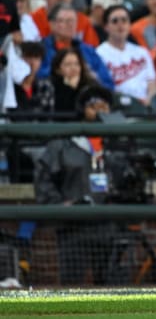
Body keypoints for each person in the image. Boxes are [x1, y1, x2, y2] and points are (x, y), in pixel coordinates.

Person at [33, 84, 128, 285]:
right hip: (74, 225)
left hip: (110, 224)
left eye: (104, 105)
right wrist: (60, 205)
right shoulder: (66, 142)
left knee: (112, 288)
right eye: (93, 105)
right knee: (72, 286)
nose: (100, 110)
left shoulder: (119, 142)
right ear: (83, 109)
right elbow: (44, 177)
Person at [96, 5, 156, 106]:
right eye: (115, 21)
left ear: (130, 25)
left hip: (145, 109)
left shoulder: (142, 52)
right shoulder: (99, 54)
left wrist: (148, 101)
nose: (120, 25)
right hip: (117, 109)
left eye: (124, 20)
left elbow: (152, 85)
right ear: (106, 27)